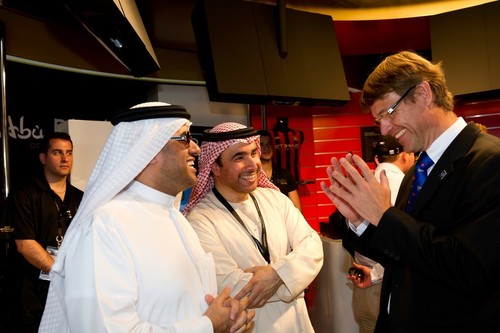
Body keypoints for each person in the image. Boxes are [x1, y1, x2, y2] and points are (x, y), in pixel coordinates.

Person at [321, 50, 500, 333]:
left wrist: (383, 215)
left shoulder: (489, 161)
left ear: (423, 93)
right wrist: (361, 221)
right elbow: (401, 253)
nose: (385, 129)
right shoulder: (417, 171)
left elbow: (471, 268)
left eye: (388, 113)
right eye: (378, 120)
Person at [39, 102, 254, 333]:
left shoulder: (178, 220)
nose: (196, 148)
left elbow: (186, 307)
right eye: (184, 138)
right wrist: (208, 325)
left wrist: (224, 317)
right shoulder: (104, 227)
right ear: (150, 149)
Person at [183, 122, 323, 333]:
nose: (253, 164)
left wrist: (277, 274)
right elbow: (231, 286)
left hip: (299, 323)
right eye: (239, 157)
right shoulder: (200, 219)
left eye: (253, 153)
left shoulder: (276, 199)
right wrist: (294, 276)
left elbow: (313, 246)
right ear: (215, 167)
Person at [5, 132, 83, 333]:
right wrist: (61, 274)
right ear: (43, 158)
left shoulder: (82, 198)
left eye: (69, 153)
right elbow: (25, 245)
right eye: (57, 152)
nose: (65, 158)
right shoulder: (24, 195)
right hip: (31, 294)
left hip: (70, 291)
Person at [347, 135, 415, 333]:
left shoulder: (364, 184)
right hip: (386, 285)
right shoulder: (404, 186)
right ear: (404, 155)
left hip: (363, 284)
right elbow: (404, 246)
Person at [257, 130, 302, 211]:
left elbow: (297, 209)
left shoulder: (285, 174)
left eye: (269, 144)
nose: (266, 148)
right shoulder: (252, 176)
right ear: (256, 148)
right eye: (262, 144)